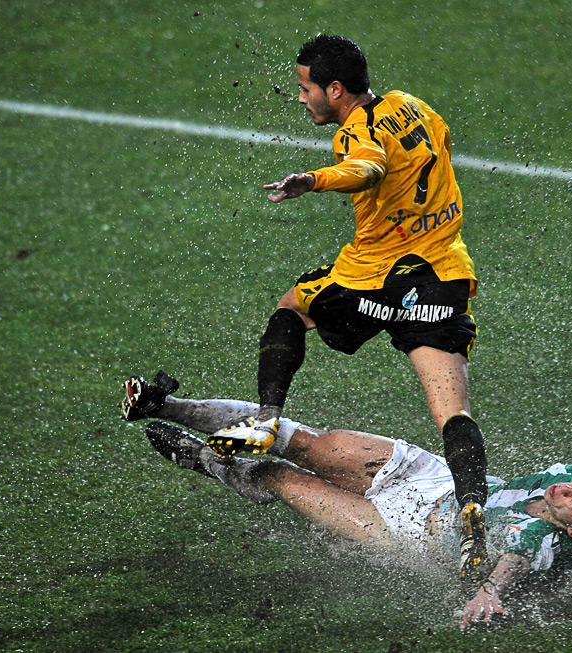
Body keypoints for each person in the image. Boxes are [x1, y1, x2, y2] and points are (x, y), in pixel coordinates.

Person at [212, 34, 488, 588]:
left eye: (305, 88)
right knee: (452, 412)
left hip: (376, 278)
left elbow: (366, 167)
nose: (301, 98)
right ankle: (473, 521)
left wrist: (312, 179)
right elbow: (433, 148)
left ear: (335, 90)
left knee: (294, 306)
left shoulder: (355, 131)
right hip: (442, 280)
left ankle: (266, 420)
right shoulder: (413, 106)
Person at [119, 372, 572, 630]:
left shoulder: (540, 542)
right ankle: (163, 404)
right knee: (303, 442)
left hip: (404, 532)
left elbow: (513, 563)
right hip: (434, 480)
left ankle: (202, 459)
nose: (566, 490)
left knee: (282, 477)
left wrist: (488, 593)